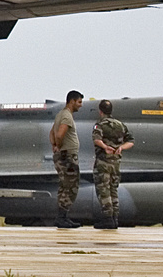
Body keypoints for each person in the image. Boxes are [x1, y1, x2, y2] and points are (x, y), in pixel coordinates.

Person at [90, 99, 134, 230]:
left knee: (103, 190)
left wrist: (105, 147)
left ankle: (107, 218)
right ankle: (114, 219)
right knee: (113, 190)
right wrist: (121, 148)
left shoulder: (100, 125)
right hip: (116, 162)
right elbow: (131, 141)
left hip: (103, 161)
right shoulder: (120, 125)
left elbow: (97, 139)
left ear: (100, 111)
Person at [50, 90, 85, 229]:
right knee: (71, 187)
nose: (80, 105)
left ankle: (63, 217)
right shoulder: (66, 116)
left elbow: (52, 132)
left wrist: (54, 145)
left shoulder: (61, 115)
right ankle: (62, 217)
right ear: (72, 101)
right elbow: (59, 134)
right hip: (67, 156)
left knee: (65, 186)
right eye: (79, 102)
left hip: (65, 155)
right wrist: (58, 146)